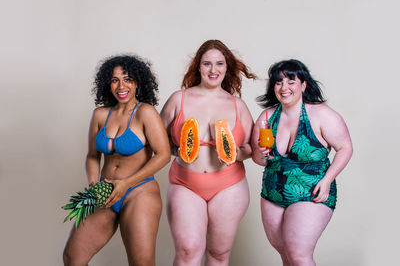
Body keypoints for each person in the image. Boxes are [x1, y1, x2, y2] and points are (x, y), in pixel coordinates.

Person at [63, 55, 171, 266]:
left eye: (127, 79)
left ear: (138, 82)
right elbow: (92, 156)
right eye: (114, 80)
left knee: (142, 263)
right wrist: (95, 186)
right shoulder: (100, 115)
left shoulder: (146, 113)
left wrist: (126, 184)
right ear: (108, 84)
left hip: (138, 191)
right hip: (104, 191)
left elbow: (163, 154)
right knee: (72, 257)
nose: (121, 85)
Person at [161, 39, 256, 265]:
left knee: (219, 254)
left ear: (227, 68)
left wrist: (234, 153)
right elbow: (156, 139)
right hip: (185, 184)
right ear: (198, 67)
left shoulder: (238, 105)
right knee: (188, 250)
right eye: (207, 64)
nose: (213, 70)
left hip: (228, 187)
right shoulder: (178, 99)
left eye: (219, 64)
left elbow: (251, 147)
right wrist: (177, 149)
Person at [251, 59, 353, 266]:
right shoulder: (267, 117)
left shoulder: (321, 114)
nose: (284, 87)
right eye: (278, 82)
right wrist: (262, 154)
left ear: (303, 85)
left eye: (291, 81)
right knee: (286, 255)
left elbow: (345, 147)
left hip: (312, 190)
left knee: (298, 253)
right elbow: (258, 159)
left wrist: (328, 180)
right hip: (273, 192)